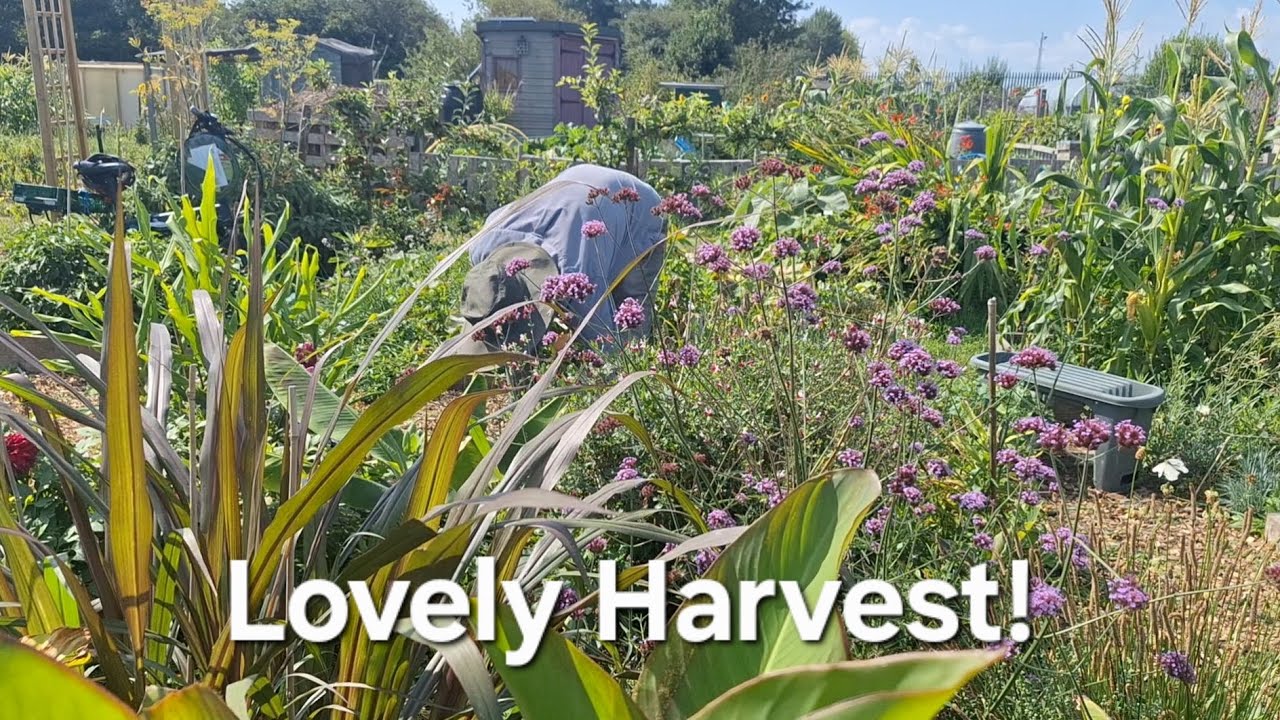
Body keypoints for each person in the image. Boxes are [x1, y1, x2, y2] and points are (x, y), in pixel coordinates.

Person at [457, 164, 666, 353]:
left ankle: (643, 367)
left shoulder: (576, 278)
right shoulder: (481, 246)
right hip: (576, 185)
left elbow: (604, 344)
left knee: (632, 317)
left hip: (639, 207)